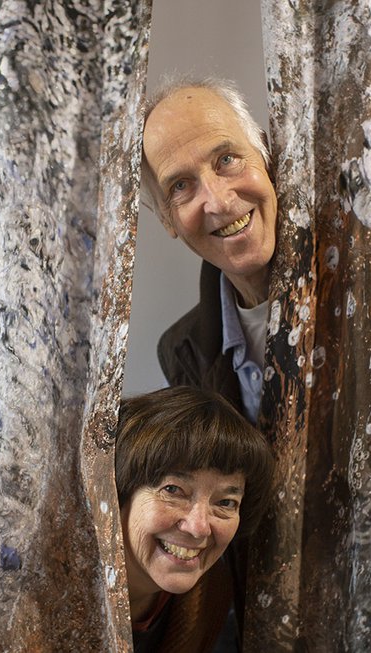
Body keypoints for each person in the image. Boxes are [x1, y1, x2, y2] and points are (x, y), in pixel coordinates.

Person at [140, 78, 278, 425]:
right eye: (181, 186)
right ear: (165, 219)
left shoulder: (364, 281)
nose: (219, 201)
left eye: (227, 159)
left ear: (264, 155)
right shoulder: (181, 351)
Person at [115, 386, 274, 653]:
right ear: (118, 492)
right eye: (173, 490)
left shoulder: (211, 596)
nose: (199, 527)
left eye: (225, 503)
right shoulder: (41, 590)